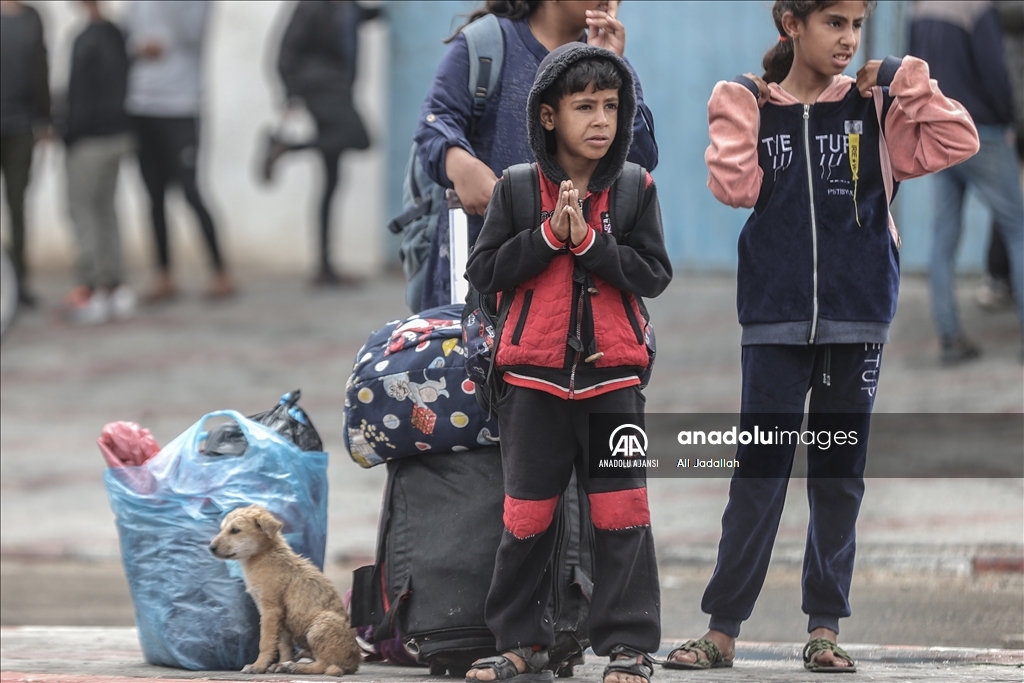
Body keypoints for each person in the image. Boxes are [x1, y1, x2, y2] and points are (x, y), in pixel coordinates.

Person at [664, 0, 978, 673]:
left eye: (856, 25)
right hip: (773, 321)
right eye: (834, 23)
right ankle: (722, 630)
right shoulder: (756, 107)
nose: (848, 39)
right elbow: (732, 185)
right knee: (758, 476)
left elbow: (959, 139)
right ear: (791, 23)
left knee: (838, 479)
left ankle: (825, 629)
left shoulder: (875, 109)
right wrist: (737, 103)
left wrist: (901, 75)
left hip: (856, 319)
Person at [464, 44, 670, 683]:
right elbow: (484, 272)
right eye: (585, 107)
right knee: (527, 517)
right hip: (531, 383)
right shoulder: (517, 188)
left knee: (622, 514)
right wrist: (551, 238)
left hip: (614, 382)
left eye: (611, 106)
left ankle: (628, 645)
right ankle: (522, 642)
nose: (601, 120)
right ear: (549, 116)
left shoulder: (635, 188)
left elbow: (653, 274)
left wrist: (591, 244)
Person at [415, 0, 657, 310]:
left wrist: (611, 66)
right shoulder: (487, 45)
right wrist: (460, 165)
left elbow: (639, 160)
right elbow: (434, 125)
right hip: (485, 280)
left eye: (607, 106)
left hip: (582, 292)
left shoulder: (607, 59)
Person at [908, 0, 1024, 364]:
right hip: (982, 131)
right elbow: (995, 71)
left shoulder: (920, 9)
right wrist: (1010, 119)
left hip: (939, 133)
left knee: (944, 236)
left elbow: (911, 72)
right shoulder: (977, 6)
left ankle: (950, 338)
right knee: (1018, 230)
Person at [263, 0, 381, 286]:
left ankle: (325, 266)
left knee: (331, 181)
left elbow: (363, 15)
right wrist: (290, 93)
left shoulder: (347, 6)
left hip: (339, 89)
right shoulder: (312, 5)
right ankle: (287, 148)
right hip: (320, 89)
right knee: (361, 139)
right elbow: (285, 50)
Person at [124, 0, 233, 302]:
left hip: (182, 106)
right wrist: (138, 48)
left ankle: (221, 271)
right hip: (141, 105)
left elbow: (191, 34)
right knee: (153, 196)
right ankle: (164, 274)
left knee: (190, 191)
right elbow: (128, 36)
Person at [61, 0, 135, 325]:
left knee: (83, 212)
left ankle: (90, 290)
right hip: (119, 134)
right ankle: (116, 286)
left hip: (90, 138)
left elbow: (78, 95)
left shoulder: (86, 39)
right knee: (106, 210)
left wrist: (68, 134)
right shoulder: (118, 34)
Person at [0, 0, 50, 307]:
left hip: (20, 127)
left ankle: (18, 282)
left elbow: (41, 66)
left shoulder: (32, 17)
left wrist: (45, 118)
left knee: (17, 206)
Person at [975, 0, 1022, 312]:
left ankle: (998, 276)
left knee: (1009, 208)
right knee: (1014, 215)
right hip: (1010, 123)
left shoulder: (993, 16)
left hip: (1010, 122)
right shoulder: (989, 16)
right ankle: (999, 276)